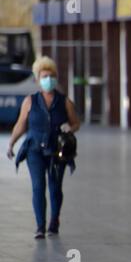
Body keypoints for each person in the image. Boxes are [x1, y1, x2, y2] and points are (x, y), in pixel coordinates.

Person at [7, 56, 80, 239]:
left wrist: (69, 128)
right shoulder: (30, 101)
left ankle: (54, 221)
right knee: (38, 187)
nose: (48, 79)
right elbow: (21, 124)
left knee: (55, 187)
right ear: (38, 79)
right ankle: (40, 226)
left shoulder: (64, 102)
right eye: (44, 76)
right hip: (34, 150)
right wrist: (11, 143)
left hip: (58, 150)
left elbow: (76, 123)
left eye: (51, 76)